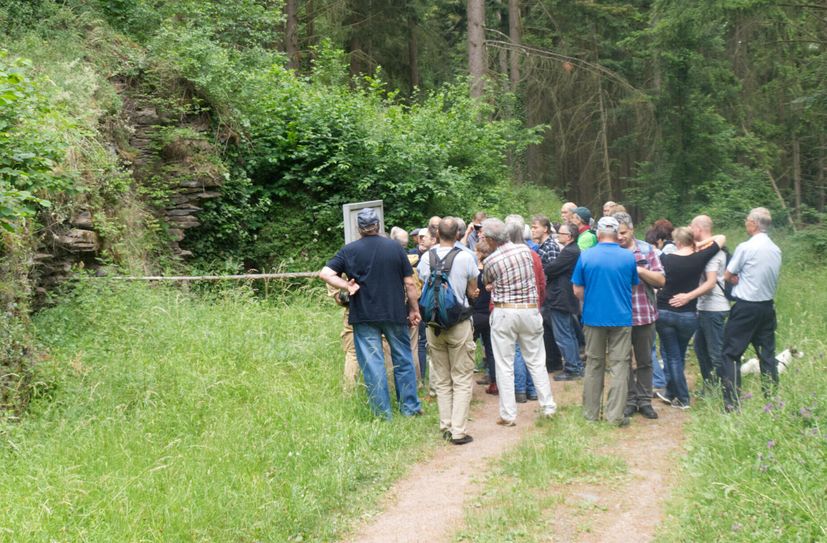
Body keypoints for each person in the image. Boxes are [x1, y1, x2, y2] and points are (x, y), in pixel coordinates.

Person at [319, 208, 422, 419]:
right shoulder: (395, 248)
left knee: (373, 365)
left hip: (364, 315)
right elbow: (409, 283)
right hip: (394, 313)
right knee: (403, 359)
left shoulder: (349, 250)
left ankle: (382, 414)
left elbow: (325, 273)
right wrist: (414, 309)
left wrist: (347, 285)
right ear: (378, 226)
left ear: (359, 229)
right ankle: (409, 408)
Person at [482, 218, 557, 426]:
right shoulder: (526, 252)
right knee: (536, 360)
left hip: (504, 311)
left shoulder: (491, 261)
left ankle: (508, 414)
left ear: (490, 239)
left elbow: (487, 281)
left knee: (504, 364)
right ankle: (548, 406)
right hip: (530, 310)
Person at [572, 216, 639, 427]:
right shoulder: (628, 257)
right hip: (621, 317)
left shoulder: (586, 256)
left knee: (594, 364)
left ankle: (591, 414)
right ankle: (615, 415)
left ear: (598, 233)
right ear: (617, 233)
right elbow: (634, 286)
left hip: (593, 317)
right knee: (620, 366)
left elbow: (577, 290)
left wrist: (593, 298)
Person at [418, 217, 480, 445]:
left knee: (442, 378)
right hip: (459, 323)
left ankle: (445, 425)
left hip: (433, 325)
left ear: (436, 235)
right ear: (457, 235)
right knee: (462, 377)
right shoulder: (465, 257)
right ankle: (458, 430)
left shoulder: (426, 257)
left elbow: (423, 283)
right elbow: (473, 290)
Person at [656, 227, 726, 410]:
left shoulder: (666, 258)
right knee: (678, 355)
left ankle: (683, 397)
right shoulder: (699, 258)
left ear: (677, 242)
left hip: (664, 310)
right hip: (688, 313)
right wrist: (698, 245)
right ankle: (671, 392)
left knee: (672, 356)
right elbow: (721, 237)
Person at [721, 207, 782, 410]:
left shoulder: (746, 247)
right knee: (767, 355)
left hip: (746, 307)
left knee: (731, 354)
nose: (746, 223)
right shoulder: (775, 249)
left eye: (747, 220)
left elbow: (728, 275)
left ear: (754, 224)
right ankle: (772, 400)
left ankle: (732, 403)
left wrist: (738, 279)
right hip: (766, 307)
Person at [614, 212, 665, 420]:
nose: (619, 237)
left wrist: (639, 270)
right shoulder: (612, 252)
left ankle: (645, 401)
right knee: (623, 361)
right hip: (618, 316)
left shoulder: (646, 250)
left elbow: (661, 280)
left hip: (644, 313)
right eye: (616, 233)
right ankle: (629, 400)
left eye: (623, 233)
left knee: (645, 361)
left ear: (632, 229)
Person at [690, 215, 730, 395]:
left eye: (692, 227)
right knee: (700, 348)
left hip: (714, 308)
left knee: (716, 352)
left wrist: (687, 296)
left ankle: (727, 390)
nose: (691, 231)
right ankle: (710, 386)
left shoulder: (713, 253)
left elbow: (710, 283)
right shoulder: (708, 249)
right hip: (704, 308)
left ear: (698, 228)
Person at [544, 222, 585, 381]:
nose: (557, 236)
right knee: (568, 333)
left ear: (569, 236)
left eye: (560, 234)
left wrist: (545, 266)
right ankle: (575, 365)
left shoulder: (570, 252)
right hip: (565, 297)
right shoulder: (572, 250)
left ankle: (572, 367)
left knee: (563, 335)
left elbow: (551, 268)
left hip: (561, 297)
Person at [472, 239, 497, 395]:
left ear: (480, 253)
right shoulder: (495, 270)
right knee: (492, 350)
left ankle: (464, 383)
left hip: (476, 314)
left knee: (467, 349)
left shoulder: (475, 271)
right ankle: (495, 382)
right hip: (491, 313)